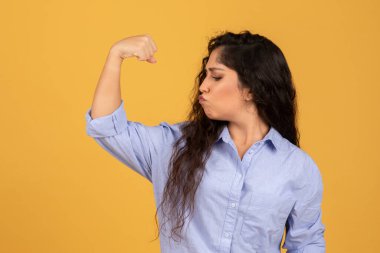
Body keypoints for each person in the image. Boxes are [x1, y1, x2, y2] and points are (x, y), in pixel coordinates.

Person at [85, 30, 326, 253]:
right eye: (205, 75)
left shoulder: (298, 168)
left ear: (251, 89)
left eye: (216, 77)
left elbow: (307, 244)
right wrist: (115, 56)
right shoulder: (175, 147)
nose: (203, 86)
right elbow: (106, 127)